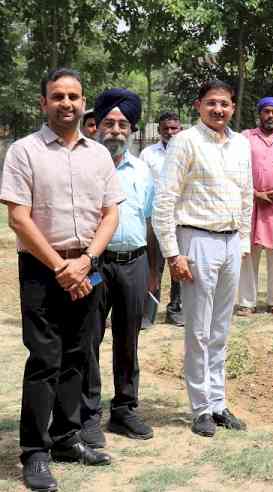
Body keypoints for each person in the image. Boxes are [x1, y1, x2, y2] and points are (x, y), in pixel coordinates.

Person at [1, 68, 119, 491]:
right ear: (43, 103)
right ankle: (34, 451)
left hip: (87, 267)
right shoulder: (23, 151)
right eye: (57, 96)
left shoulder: (99, 154)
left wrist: (86, 261)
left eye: (73, 96)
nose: (66, 103)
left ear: (83, 101)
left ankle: (67, 438)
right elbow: (18, 217)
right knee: (45, 360)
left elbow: (111, 214)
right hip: (42, 269)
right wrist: (61, 267)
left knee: (78, 357)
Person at [152, 79, 252, 437]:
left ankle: (219, 402)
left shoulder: (241, 144)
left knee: (221, 329)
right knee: (197, 329)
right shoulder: (185, 142)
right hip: (196, 241)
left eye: (224, 104)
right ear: (198, 106)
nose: (218, 110)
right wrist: (173, 253)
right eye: (211, 103)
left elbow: (247, 195)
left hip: (230, 243)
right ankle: (200, 409)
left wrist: (243, 242)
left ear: (233, 107)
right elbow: (164, 203)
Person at [80, 88, 155, 449]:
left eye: (122, 124)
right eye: (108, 123)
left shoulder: (143, 170)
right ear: (95, 126)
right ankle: (88, 415)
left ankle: (124, 409)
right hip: (94, 265)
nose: (115, 129)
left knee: (128, 340)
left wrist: (153, 272)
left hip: (134, 263)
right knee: (88, 338)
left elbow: (150, 220)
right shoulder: (83, 166)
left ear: (132, 129)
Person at [236, 97, 273, 317]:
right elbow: (237, 170)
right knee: (248, 253)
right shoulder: (245, 137)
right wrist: (254, 193)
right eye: (266, 111)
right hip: (250, 202)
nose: (270, 116)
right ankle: (246, 303)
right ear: (259, 113)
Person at [139, 111, 184, 326]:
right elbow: (141, 185)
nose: (170, 132)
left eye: (174, 128)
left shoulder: (188, 151)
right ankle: (147, 313)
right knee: (152, 267)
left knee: (180, 264)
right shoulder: (148, 154)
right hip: (155, 218)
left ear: (180, 129)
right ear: (159, 131)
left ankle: (176, 310)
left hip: (182, 218)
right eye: (166, 128)